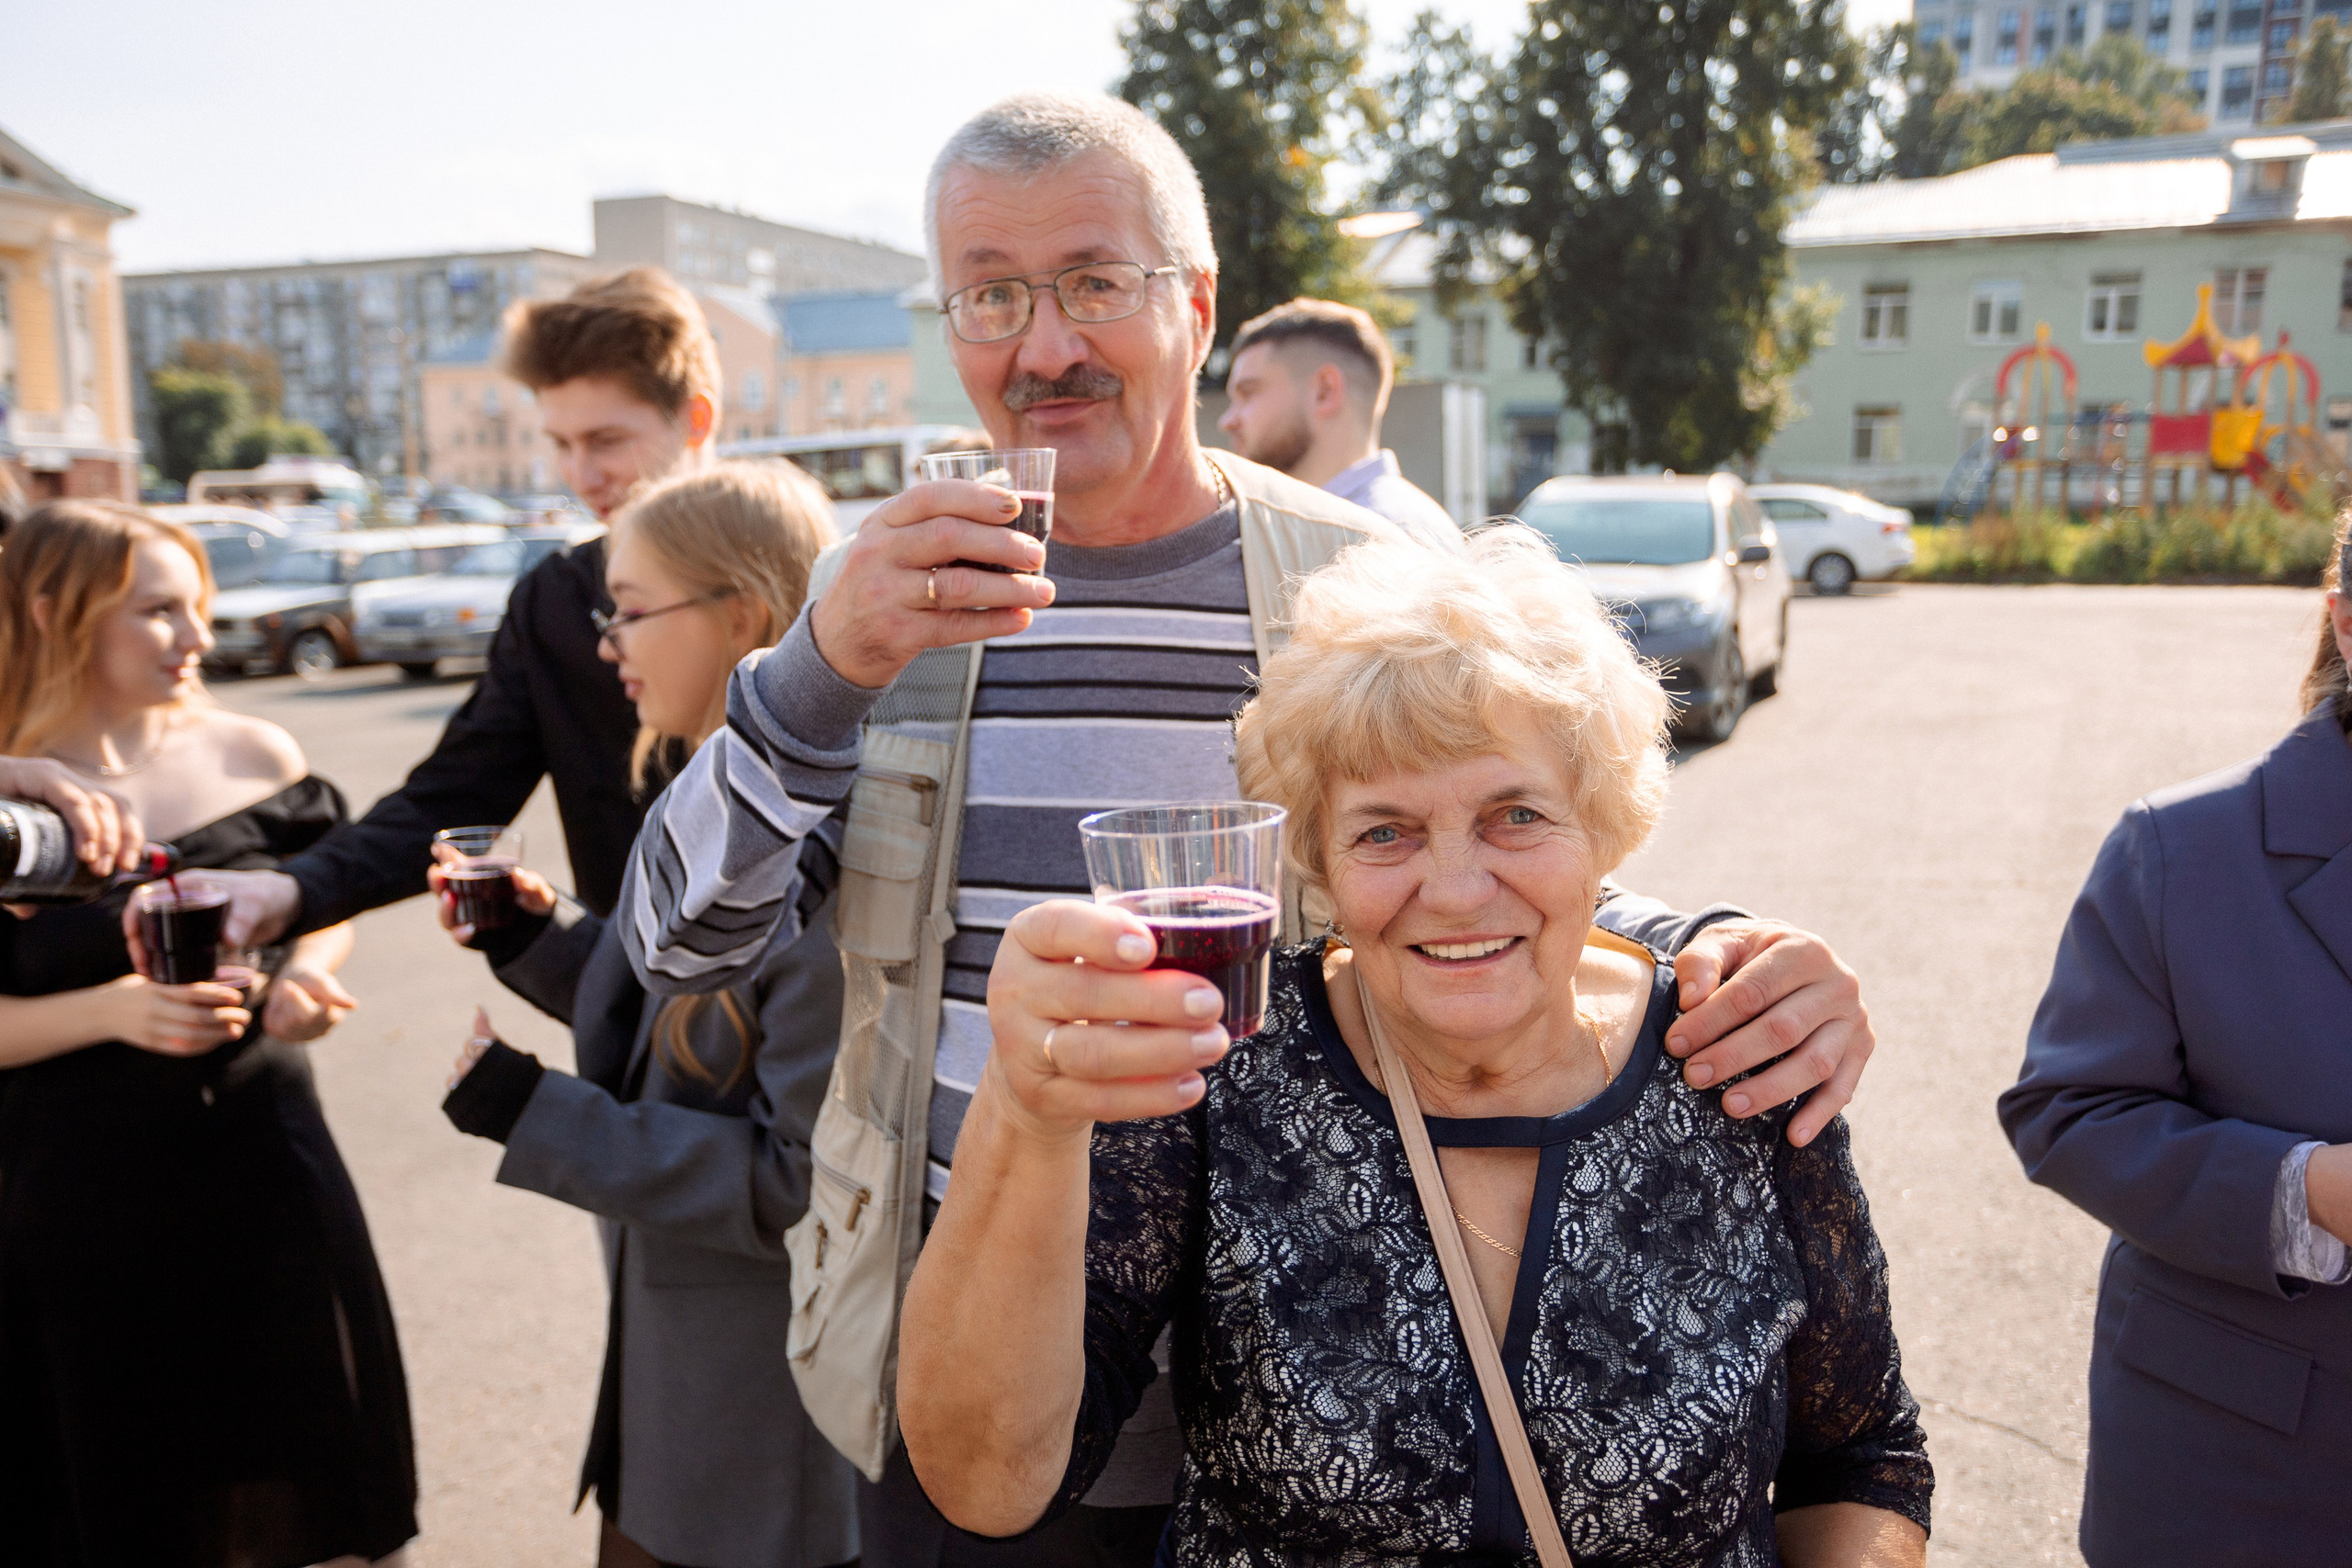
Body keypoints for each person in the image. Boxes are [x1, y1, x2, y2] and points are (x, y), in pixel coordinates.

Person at [616, 91, 1884, 1567]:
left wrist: (1712, 948)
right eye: (992, 294)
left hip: (1328, 1398)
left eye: (1097, 282)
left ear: (1198, 304)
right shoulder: (880, 604)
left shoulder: (1359, 573)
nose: (1045, 344)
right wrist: (817, 671)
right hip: (975, 1364)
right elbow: (679, 945)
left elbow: (1489, 865)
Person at [899, 526, 1931, 1564]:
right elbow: (989, 1484)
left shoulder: (1735, 1058)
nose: (1455, 889)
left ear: (1604, 826)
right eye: (1383, 831)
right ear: (1319, 856)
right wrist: (1025, 1111)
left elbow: (1862, 1459)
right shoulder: (1222, 1068)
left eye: (1514, 815)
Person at [434, 463, 857, 1568]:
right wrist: (534, 936)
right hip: (680, 1394)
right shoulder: (710, 798)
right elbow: (692, 1034)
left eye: (627, 610)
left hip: (762, 1433)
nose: (606, 645)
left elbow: (800, 1181)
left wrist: (533, 1112)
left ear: (743, 616)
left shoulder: (809, 851)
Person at [0, 500, 409, 1568]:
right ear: (51, 612)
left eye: (199, 607)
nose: (196, 636)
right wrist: (110, 1011)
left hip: (268, 1170)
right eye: (158, 611)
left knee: (316, 1486)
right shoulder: (8, 803)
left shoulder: (253, 748)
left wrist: (308, 975)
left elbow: (322, 905)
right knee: (125, 1496)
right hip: (80, 1210)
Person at [1999, 512, 2352, 1565]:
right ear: (2344, 619)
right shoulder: (2180, 849)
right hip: (2249, 1474)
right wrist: (2306, 1191)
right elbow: (2068, 1112)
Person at [180, 265, 722, 953]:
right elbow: (457, 792)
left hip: (809, 1003)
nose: (582, 476)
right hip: (638, 1001)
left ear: (695, 418)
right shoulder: (554, 598)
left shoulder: (813, 579)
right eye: (561, 444)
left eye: (606, 439)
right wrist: (292, 890)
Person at [1217, 296, 1460, 541]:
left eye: (1248, 393)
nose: (1227, 421)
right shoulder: (1326, 528)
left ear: (1325, 391)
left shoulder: (1385, 537)